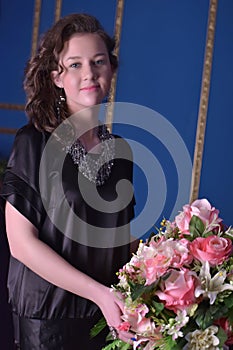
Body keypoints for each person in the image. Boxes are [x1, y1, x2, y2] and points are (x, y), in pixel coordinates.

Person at [0, 13, 136, 349]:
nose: (89, 73)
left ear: (111, 70)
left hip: (105, 316)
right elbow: (21, 244)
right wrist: (99, 294)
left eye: (98, 61)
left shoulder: (120, 152)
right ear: (56, 77)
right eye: (74, 64)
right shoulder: (34, 142)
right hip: (49, 318)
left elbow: (117, 240)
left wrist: (179, 252)